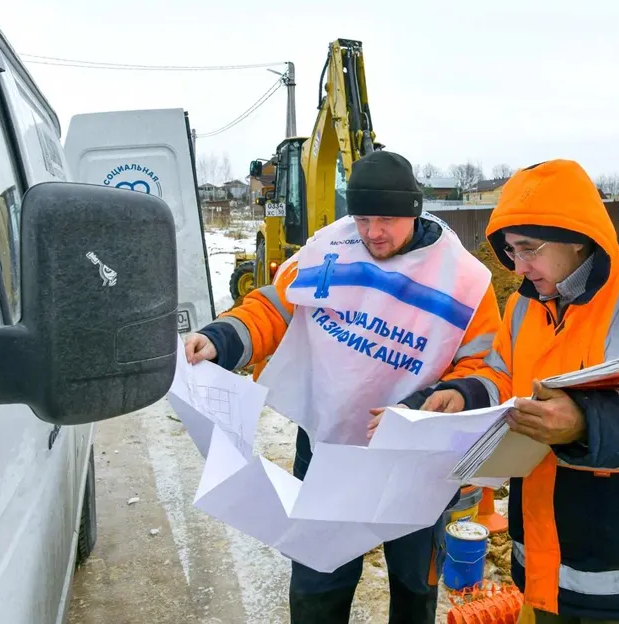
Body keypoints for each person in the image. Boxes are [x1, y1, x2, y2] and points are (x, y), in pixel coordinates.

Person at [184, 150, 502, 623]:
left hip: (412, 458)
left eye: (388, 219)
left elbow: (485, 366)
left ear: (414, 211)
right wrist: (220, 339)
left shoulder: (465, 281)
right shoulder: (328, 249)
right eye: (363, 218)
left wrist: (435, 402)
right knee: (318, 581)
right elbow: (274, 307)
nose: (373, 232)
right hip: (328, 444)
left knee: (416, 587)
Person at [434, 160, 619, 623]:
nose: (518, 266)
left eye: (529, 249)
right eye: (510, 251)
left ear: (576, 238)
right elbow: (504, 375)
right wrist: (468, 395)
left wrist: (585, 423)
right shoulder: (522, 305)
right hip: (545, 557)